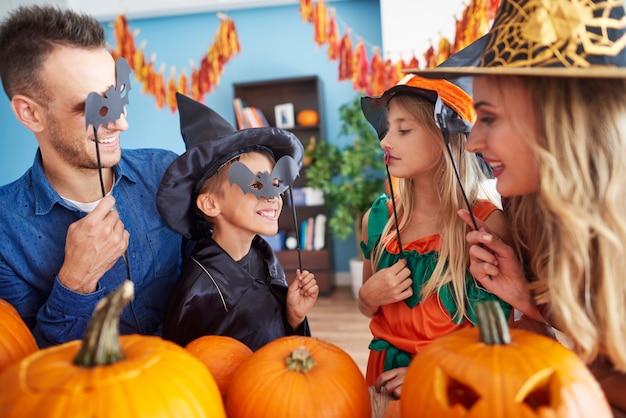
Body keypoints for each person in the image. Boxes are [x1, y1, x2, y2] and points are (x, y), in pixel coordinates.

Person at [415, 0, 626, 414]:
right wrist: (527, 299)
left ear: (558, 121)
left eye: (489, 118)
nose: (472, 143)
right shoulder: (527, 212)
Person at [0, 5, 182, 348]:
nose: (122, 123)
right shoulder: (4, 233)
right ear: (30, 113)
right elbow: (24, 367)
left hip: (188, 385)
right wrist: (74, 283)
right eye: (98, 108)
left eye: (118, 98)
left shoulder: (166, 173)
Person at [358, 67, 512, 398]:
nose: (385, 140)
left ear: (445, 138)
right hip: (384, 382)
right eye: (388, 129)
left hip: (452, 388)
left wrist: (431, 372)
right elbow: (369, 305)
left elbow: (499, 336)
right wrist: (367, 297)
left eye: (404, 130)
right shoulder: (379, 220)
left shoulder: (486, 225)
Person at [157, 93, 319, 351]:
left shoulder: (265, 257)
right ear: (211, 204)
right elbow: (185, 371)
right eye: (255, 184)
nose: (273, 196)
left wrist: (294, 317)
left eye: (276, 184)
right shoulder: (198, 290)